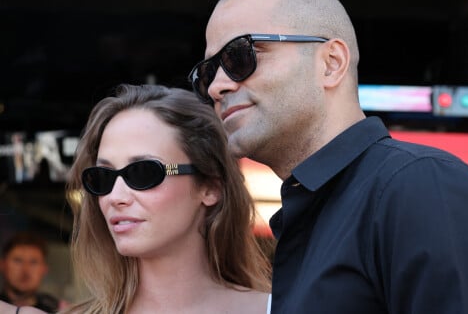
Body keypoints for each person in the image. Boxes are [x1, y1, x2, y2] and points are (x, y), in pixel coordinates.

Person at [189, 0, 468, 313]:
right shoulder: (318, 212)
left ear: (331, 63)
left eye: (240, 56)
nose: (217, 86)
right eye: (207, 72)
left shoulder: (421, 187)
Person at [3, 84, 272, 314]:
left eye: (143, 173)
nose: (115, 197)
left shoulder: (280, 308)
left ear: (211, 187)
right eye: (104, 177)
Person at [0, 232, 62, 313]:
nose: (25, 270)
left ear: (44, 269)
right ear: (2, 265)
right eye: (17, 260)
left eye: (33, 262)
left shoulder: (59, 310)